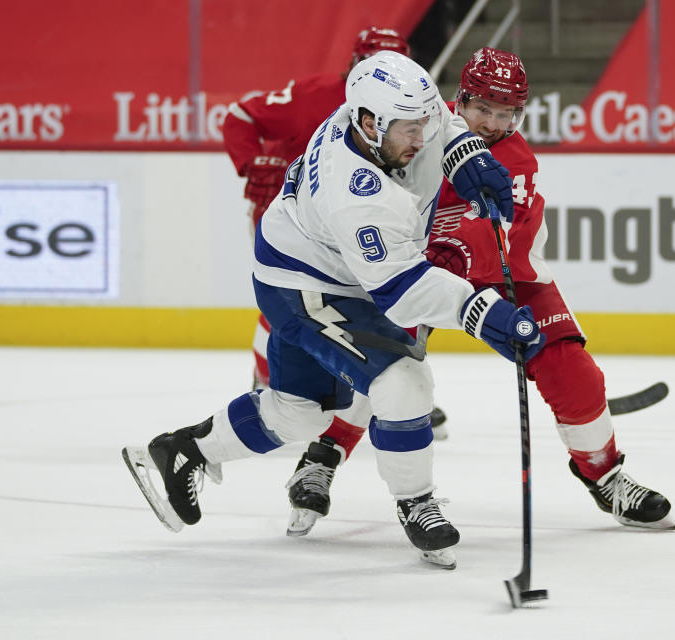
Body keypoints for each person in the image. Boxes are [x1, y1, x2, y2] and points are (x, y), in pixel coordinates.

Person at [123, 51, 543, 570]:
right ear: (368, 123)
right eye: (408, 131)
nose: (420, 139)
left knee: (299, 412)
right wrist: (486, 313)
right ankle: (417, 502)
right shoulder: (358, 195)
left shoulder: (389, 103)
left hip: (295, 265)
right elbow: (401, 290)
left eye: (422, 125)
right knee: (404, 381)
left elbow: (442, 122)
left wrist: (467, 153)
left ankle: (186, 450)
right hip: (312, 287)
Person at [284, 47, 675, 538]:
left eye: (505, 113)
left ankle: (606, 475)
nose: (492, 123)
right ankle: (324, 455)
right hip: (416, 273)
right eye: (482, 110)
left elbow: (498, 244)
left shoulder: (516, 160)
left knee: (573, 374)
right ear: (459, 101)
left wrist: (461, 254)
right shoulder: (416, 134)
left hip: (509, 277)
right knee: (385, 363)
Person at [222, 27, 449, 436]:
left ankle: (390, 392)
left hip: (358, 217)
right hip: (296, 219)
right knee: (296, 300)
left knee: (378, 295)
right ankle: (270, 382)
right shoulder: (315, 95)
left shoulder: (410, 112)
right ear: (352, 66)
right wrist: (253, 162)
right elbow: (240, 116)